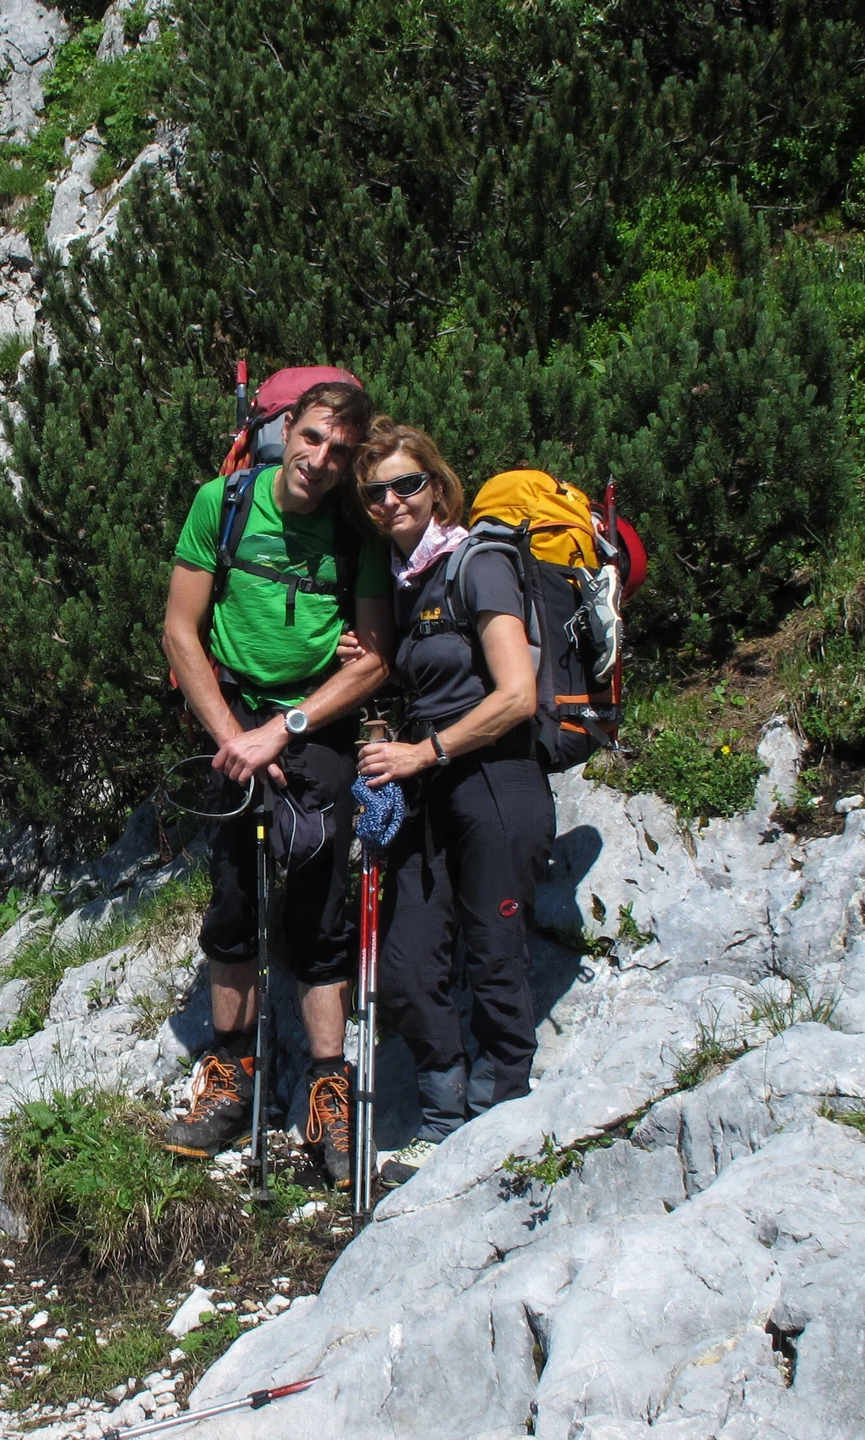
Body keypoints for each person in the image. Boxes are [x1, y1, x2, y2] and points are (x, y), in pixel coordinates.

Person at [161, 380, 393, 1186]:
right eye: (313, 437)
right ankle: (230, 1080)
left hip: (307, 728)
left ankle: (327, 1090)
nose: (321, 460)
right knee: (233, 901)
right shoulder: (221, 504)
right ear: (286, 428)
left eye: (339, 450)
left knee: (322, 898)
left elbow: (375, 656)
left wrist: (280, 733)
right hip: (233, 723)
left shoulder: (354, 529)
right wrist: (234, 737)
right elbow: (180, 630)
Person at [351, 420, 555, 1184]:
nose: (394, 501)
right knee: (404, 964)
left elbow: (515, 694)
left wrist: (422, 751)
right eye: (377, 492)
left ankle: (497, 1114)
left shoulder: (479, 564)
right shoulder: (408, 582)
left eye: (408, 485)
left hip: (496, 783)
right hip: (430, 788)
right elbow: (441, 678)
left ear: (437, 486)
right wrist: (388, 674)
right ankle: (443, 1116)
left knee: (495, 958)